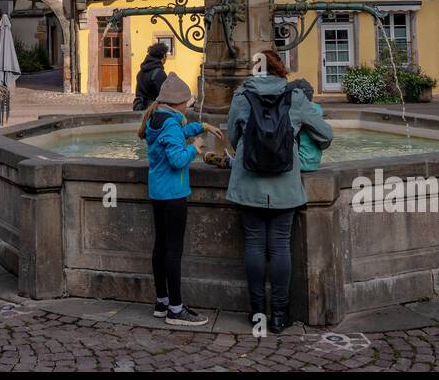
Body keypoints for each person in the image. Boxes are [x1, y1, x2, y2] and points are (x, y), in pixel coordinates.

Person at [226, 50, 333, 334]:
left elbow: (232, 138)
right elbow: (326, 135)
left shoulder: (241, 96)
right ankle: (280, 315)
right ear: (280, 69)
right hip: (284, 186)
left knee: (254, 245)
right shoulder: (294, 97)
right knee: (280, 246)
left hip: (248, 185)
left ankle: (258, 311)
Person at [138, 73, 219, 327]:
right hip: (173, 193)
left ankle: (162, 302)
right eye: (187, 102)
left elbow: (176, 133)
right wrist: (195, 148)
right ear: (178, 103)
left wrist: (202, 127)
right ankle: (176, 309)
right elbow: (177, 159)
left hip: (158, 191)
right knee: (173, 250)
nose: (188, 106)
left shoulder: (157, 118)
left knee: (160, 247)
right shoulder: (170, 124)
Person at [133, 43, 169, 111]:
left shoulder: (140, 72)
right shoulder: (159, 73)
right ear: (164, 56)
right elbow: (165, 97)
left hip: (140, 111)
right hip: (153, 112)